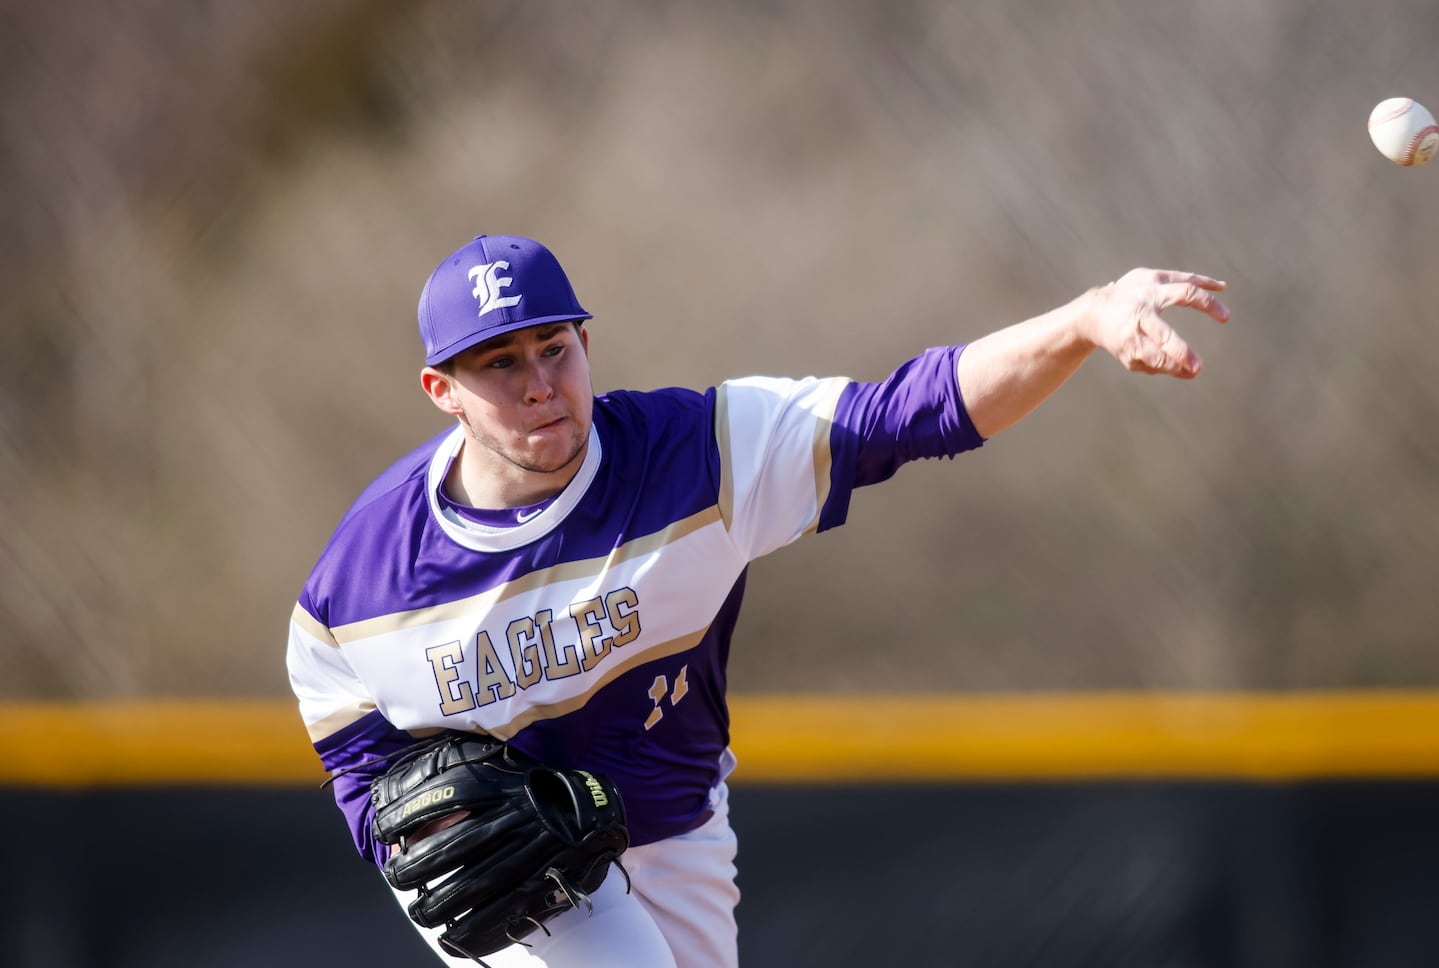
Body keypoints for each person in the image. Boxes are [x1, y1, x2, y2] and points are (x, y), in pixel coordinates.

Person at [285, 233, 1229, 967]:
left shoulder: (700, 456)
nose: (541, 386)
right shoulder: (364, 585)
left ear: (585, 341)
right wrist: (418, 828)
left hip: (679, 820)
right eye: (499, 365)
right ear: (440, 389)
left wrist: (1084, 320)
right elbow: (357, 759)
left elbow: (910, 412)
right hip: (525, 878)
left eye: (554, 348)